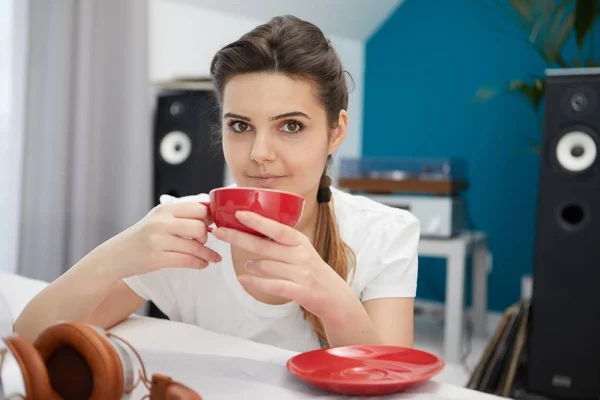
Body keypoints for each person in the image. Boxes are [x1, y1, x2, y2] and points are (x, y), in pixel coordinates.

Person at [14, 15, 420, 352]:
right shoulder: (189, 232)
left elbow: (391, 381)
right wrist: (121, 252)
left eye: (291, 126)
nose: (260, 152)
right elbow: (31, 339)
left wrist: (329, 296)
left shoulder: (384, 234)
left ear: (336, 132)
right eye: (241, 125)